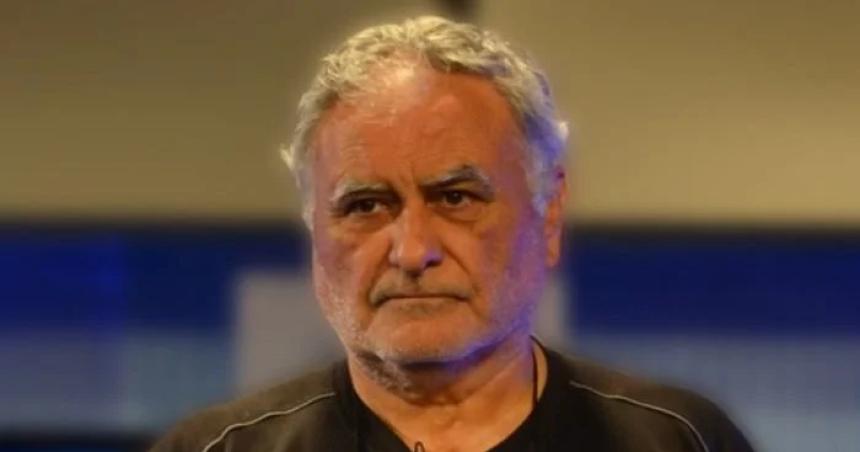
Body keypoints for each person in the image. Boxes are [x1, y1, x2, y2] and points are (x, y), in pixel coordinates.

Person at [151, 16, 755, 452]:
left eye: (455, 198)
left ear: (548, 213)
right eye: (365, 205)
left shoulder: (676, 439)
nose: (413, 251)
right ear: (314, 227)